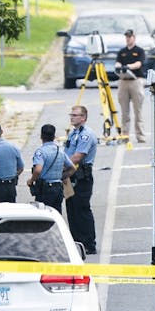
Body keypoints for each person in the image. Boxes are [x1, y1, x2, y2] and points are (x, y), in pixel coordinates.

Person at [65, 105, 98, 254]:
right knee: (72, 209)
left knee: (82, 209)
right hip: (71, 175)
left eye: (75, 115)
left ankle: (89, 243)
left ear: (83, 118)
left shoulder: (86, 135)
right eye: (71, 114)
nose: (72, 117)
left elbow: (77, 157)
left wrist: (60, 168)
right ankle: (77, 242)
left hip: (81, 176)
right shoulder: (73, 134)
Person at [29, 123, 73, 213]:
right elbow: (72, 168)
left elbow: (37, 170)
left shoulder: (40, 152)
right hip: (58, 188)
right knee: (56, 215)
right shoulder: (60, 151)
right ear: (54, 136)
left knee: (43, 217)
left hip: (45, 189)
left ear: (41, 136)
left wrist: (31, 180)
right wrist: (61, 176)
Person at [116, 29, 148, 142]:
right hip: (124, 80)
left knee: (137, 110)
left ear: (134, 37)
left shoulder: (139, 51)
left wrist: (128, 66)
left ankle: (140, 135)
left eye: (130, 37)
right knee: (124, 112)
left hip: (136, 80)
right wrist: (119, 67)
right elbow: (118, 62)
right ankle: (125, 135)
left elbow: (139, 64)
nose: (128, 39)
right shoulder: (122, 51)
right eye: (127, 37)